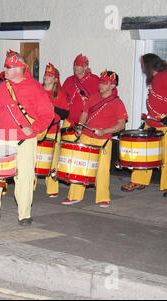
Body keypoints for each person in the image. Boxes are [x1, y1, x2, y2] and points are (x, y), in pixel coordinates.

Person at [0, 50, 54, 226]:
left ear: (19, 68)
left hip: (24, 141)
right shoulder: (2, 86)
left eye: (8, 66)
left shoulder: (35, 88)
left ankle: (24, 215)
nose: (4, 69)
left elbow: (48, 114)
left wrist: (34, 128)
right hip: (1, 137)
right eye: (5, 66)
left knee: (24, 178)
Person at [121, 54, 167, 197]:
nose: (142, 68)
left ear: (149, 65)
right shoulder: (154, 79)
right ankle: (139, 181)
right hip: (151, 123)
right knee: (143, 154)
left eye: (143, 65)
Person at [61, 71, 128, 207]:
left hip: (103, 139)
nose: (101, 85)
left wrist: (104, 131)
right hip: (86, 135)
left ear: (112, 86)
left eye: (105, 83)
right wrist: (79, 127)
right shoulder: (92, 98)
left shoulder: (117, 102)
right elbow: (84, 114)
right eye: (101, 82)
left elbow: (121, 125)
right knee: (78, 166)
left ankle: (103, 197)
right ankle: (74, 195)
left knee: (102, 170)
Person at [40, 63, 69, 198]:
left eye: (50, 75)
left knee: (52, 160)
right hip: (38, 129)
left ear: (56, 79)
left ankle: (52, 188)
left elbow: (65, 114)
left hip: (53, 130)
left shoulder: (60, 94)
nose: (46, 77)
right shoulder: (37, 90)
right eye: (46, 74)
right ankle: (30, 184)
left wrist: (53, 108)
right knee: (35, 158)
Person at [62, 54, 100, 129]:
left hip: (88, 122)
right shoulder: (69, 80)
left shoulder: (95, 80)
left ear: (85, 67)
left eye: (78, 65)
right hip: (69, 121)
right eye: (74, 65)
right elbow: (62, 99)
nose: (75, 67)